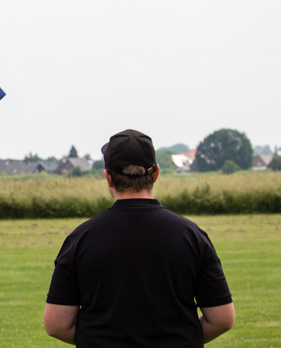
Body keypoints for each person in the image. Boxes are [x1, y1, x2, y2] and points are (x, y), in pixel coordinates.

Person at [44, 129, 234, 347]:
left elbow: (56, 324)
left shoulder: (80, 239)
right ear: (155, 174)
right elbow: (222, 319)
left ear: (108, 177)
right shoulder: (192, 236)